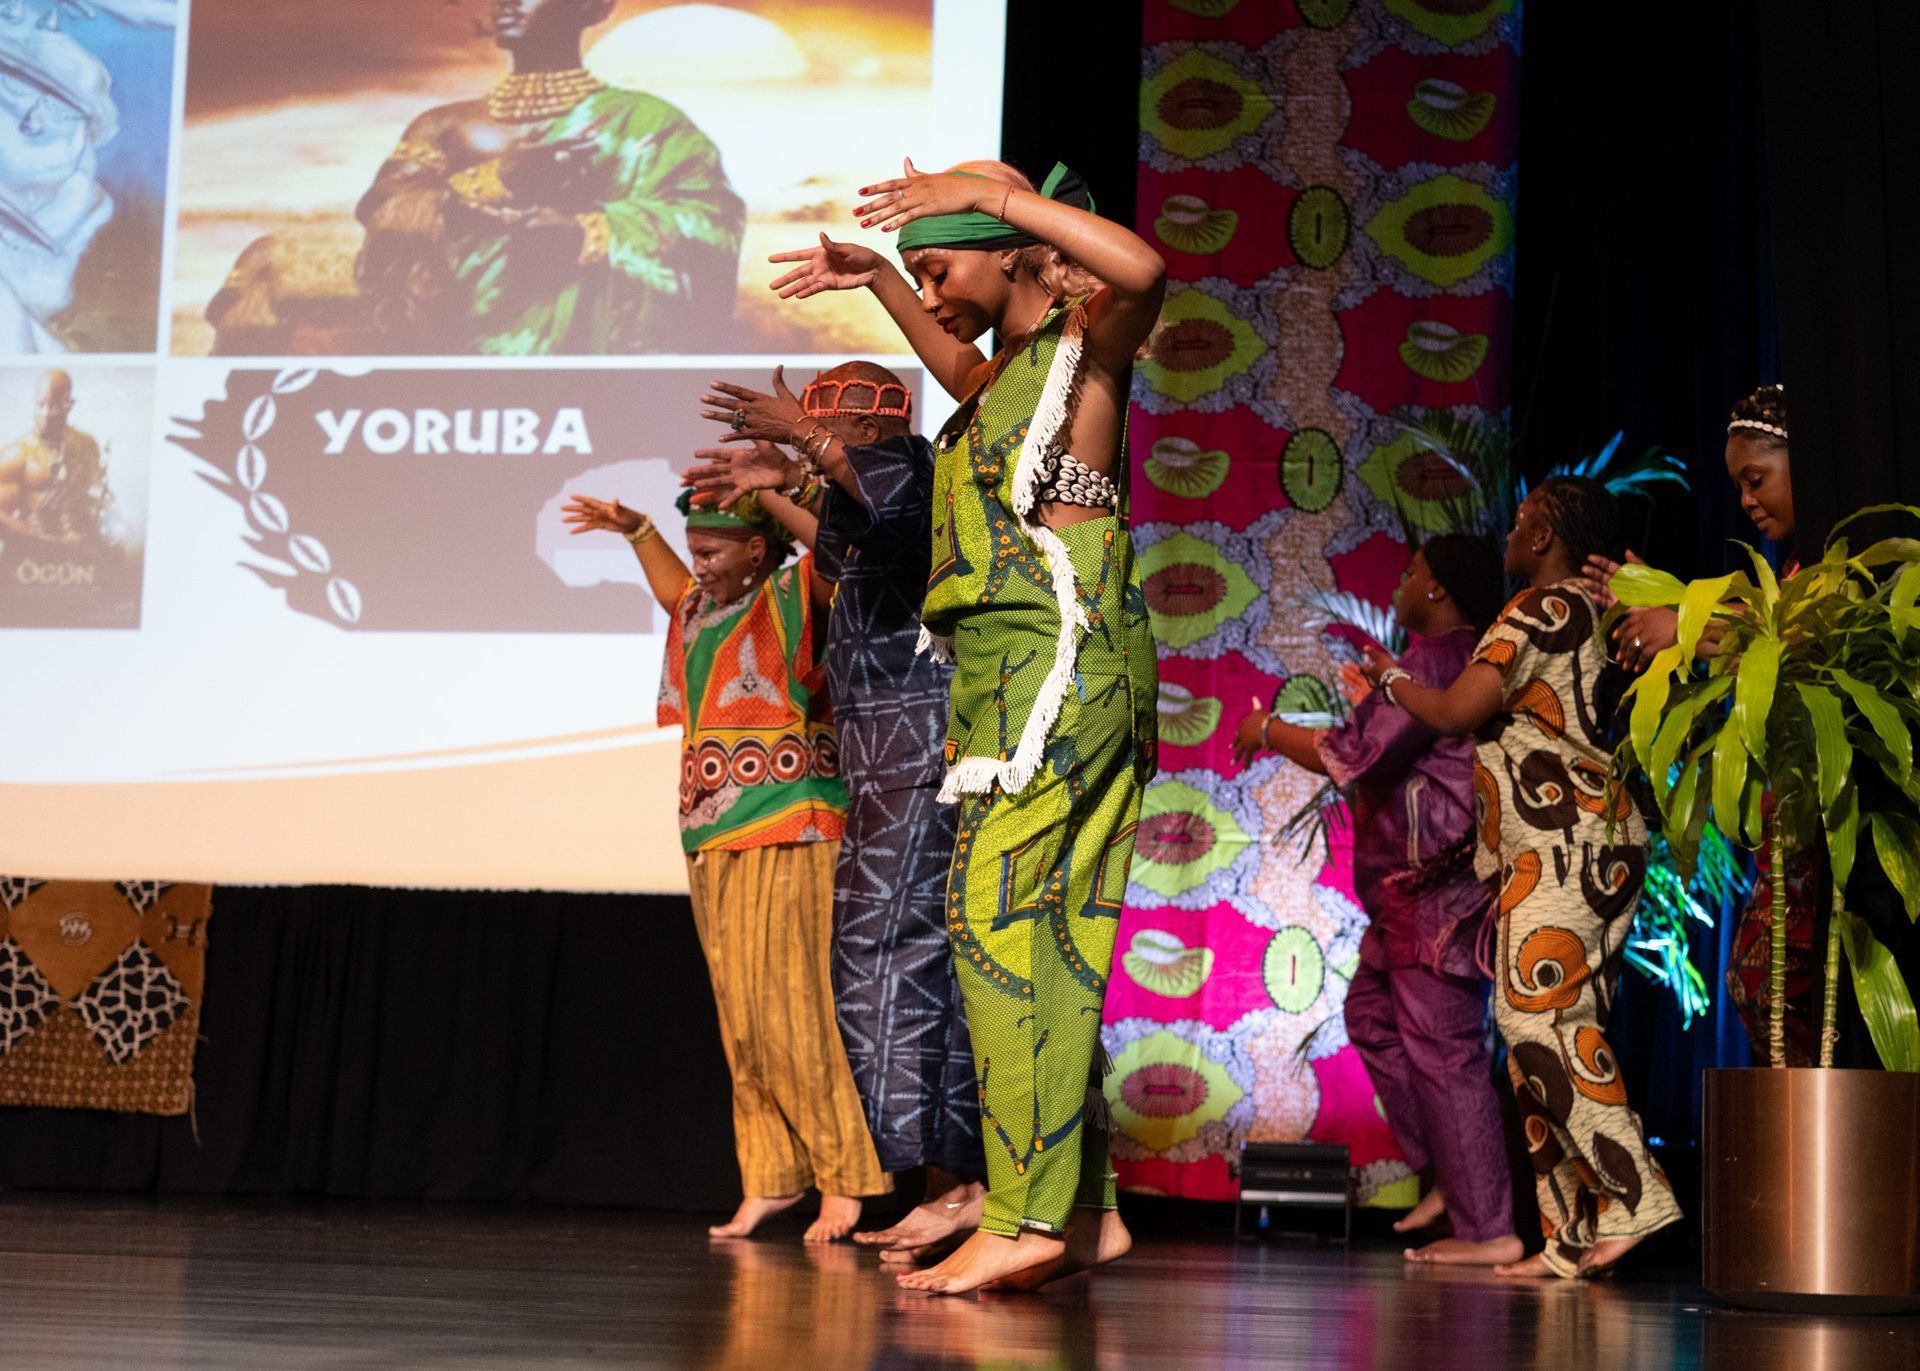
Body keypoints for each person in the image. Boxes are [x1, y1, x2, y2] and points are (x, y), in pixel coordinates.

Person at [764, 158, 1164, 1293]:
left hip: (1058, 669)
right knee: (1031, 940)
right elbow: (958, 366)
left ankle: (1031, 1217)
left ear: (1005, 249)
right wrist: (883, 278)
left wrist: (995, 196)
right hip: (1004, 679)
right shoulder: (1009, 376)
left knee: (998, 932)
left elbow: (1146, 263)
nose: (932, 291)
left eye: (942, 266)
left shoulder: (1088, 347)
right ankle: (1073, 1214)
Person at [685, 361, 989, 1264]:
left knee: (891, 963)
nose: (809, 426)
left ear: (861, 420)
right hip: (884, 764)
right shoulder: (864, 494)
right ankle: (953, 1182)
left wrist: (804, 452)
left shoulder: (909, 467)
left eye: (822, 417)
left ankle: (964, 1182)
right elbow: (857, 542)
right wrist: (785, 486)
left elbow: (892, 517)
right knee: (900, 967)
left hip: (914, 755)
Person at [1359, 478, 1680, 1279]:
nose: (1510, 529)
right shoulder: (1599, 609)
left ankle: (1633, 1197)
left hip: (1561, 838)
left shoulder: (1535, 610)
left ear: (1544, 537)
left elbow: (1452, 710)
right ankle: (1570, 1234)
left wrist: (1387, 683)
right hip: (1584, 839)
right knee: (1538, 1025)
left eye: (1524, 517)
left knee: (1537, 1020)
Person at [560, 484, 886, 1242]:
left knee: (796, 1011)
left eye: (712, 551)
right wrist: (638, 530)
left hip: (791, 825)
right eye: (695, 550)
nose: (698, 565)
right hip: (712, 831)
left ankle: (845, 1178)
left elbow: (841, 554)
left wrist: (782, 484)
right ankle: (771, 1175)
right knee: (743, 1019)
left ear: (757, 549)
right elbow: (675, 586)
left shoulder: (793, 591)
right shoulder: (703, 610)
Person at [1232, 534, 1520, 1266]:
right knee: (1371, 1013)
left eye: (1412, 570)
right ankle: (1454, 1184)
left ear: (1437, 588)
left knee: (1445, 1051)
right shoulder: (1429, 666)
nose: (1401, 579)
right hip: (1404, 894)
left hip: (1436, 889)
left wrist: (1265, 729)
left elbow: (1351, 754)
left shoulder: (1440, 657)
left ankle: (1487, 1226)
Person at [211, 0, 743, 355]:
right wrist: (498, 180)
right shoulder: (444, 123)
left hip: (577, 338)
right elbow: (385, 211)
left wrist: (584, 233)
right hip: (444, 312)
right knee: (268, 264)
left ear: (590, 5)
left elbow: (709, 223)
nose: (507, 2)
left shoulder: (650, 124)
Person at [1583, 385, 1823, 1065]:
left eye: (1757, 479)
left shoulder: (1838, 563)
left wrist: (1680, 625)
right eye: (1739, 485)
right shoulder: (1793, 568)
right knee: (1760, 986)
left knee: (1766, 984)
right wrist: (1658, 594)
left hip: (1820, 815)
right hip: (1786, 814)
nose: (1747, 500)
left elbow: (1782, 642)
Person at [0, 368, 110, 542]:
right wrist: (40, 536)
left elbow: (96, 496)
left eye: (55, 405)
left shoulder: (87, 446)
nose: (46, 414)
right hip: (32, 551)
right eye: (40, 405)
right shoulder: (17, 453)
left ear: (70, 405)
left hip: (78, 549)